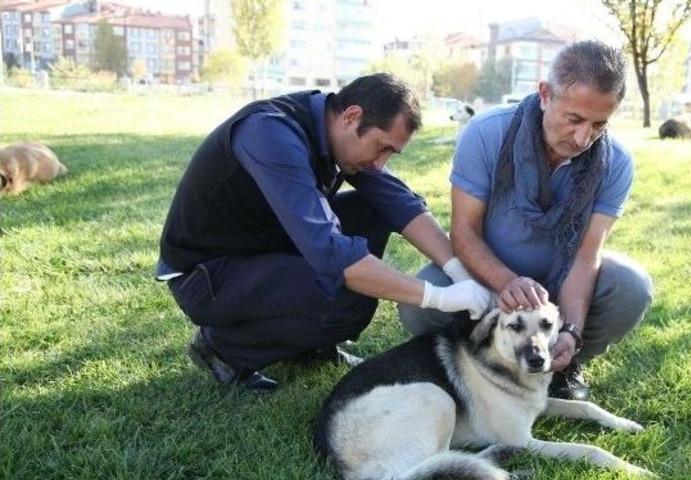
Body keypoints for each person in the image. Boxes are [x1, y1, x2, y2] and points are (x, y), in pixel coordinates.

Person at [157, 73, 492, 394]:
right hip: (207, 275)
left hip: (262, 247)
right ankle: (221, 348)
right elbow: (333, 255)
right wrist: (441, 297)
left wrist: (459, 272)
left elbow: (400, 203)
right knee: (349, 296)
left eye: (390, 153)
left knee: (374, 207)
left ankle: (310, 343)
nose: (380, 163)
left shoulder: (336, 133)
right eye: (381, 147)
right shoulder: (270, 134)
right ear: (351, 115)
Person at [398, 40, 654, 400]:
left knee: (631, 286)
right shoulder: (487, 133)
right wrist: (506, 282)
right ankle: (474, 361)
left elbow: (586, 255)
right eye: (574, 119)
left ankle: (563, 363)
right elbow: (463, 232)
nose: (584, 138)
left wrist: (572, 331)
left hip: (560, 282)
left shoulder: (617, 162)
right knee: (417, 306)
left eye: (599, 124)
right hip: (485, 273)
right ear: (545, 94)